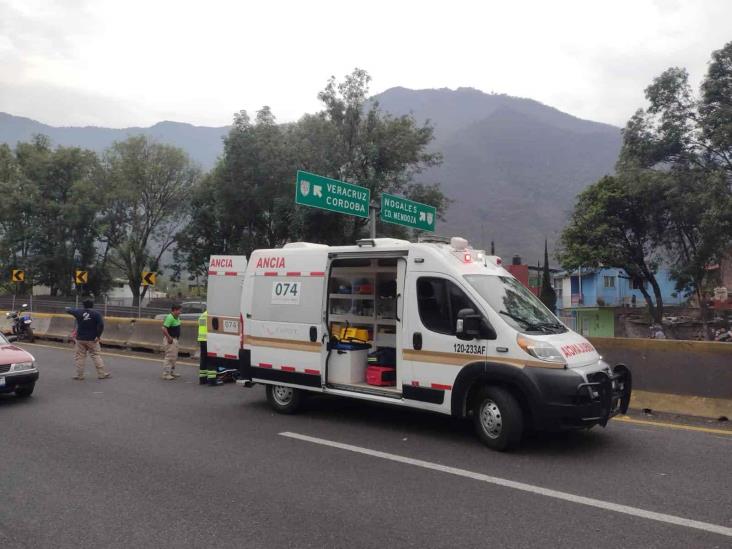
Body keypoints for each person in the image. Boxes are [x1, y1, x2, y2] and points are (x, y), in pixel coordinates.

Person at [65, 299, 111, 380]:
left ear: (83, 305)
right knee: (95, 355)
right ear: (92, 305)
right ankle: (101, 374)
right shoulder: (96, 314)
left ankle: (80, 375)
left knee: (80, 357)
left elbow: (67, 309)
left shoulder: (78, 312)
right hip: (92, 338)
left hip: (80, 338)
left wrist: (72, 309)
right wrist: (98, 335)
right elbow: (101, 325)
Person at [161, 304, 182, 380]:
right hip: (170, 340)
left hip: (175, 339)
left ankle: (172, 372)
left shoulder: (177, 317)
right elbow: (164, 328)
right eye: (179, 310)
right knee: (169, 356)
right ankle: (166, 374)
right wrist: (169, 338)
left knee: (174, 357)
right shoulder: (170, 317)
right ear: (175, 310)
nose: (180, 312)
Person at [197, 310, 208, 385]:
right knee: (211, 359)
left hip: (202, 339)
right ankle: (212, 379)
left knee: (203, 359)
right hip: (207, 339)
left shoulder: (202, 315)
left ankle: (202, 379)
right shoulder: (209, 315)